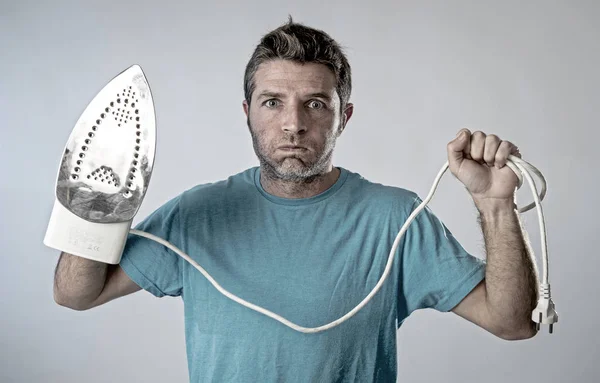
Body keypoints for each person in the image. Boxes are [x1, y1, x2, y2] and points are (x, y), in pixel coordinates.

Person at [53, 17, 539, 382]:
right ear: (247, 112)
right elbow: (76, 294)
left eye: (315, 104)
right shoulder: (197, 214)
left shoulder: (394, 218)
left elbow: (514, 323)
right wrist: (98, 209)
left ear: (343, 116)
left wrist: (495, 205)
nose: (293, 124)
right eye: (272, 102)